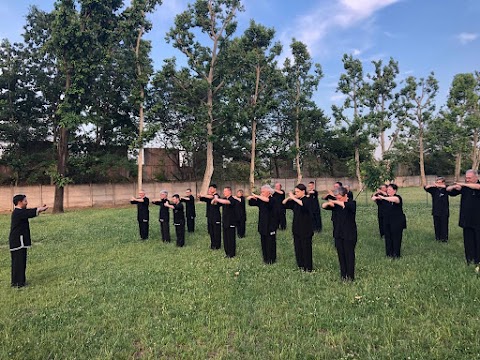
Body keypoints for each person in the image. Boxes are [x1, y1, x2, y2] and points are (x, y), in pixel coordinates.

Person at [9, 194, 48, 288]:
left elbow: (28, 212)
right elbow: (28, 213)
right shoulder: (18, 212)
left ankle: (19, 282)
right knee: (18, 262)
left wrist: (39, 209)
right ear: (19, 202)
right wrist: (39, 209)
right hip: (18, 241)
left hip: (19, 241)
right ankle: (18, 283)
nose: (27, 202)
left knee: (20, 262)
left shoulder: (20, 212)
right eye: (25, 201)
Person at [322, 186, 357, 281]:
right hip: (338, 233)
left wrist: (335, 201)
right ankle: (343, 275)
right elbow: (323, 206)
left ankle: (350, 277)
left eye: (339, 197)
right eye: (336, 197)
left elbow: (344, 205)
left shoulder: (352, 203)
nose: (337, 198)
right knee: (341, 255)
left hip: (349, 234)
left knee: (349, 255)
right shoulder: (336, 204)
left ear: (345, 195)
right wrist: (330, 202)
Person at [447, 170, 480, 266]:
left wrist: (463, 184)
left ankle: (478, 260)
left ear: (476, 178)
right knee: (468, 241)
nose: (467, 179)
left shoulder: (476, 185)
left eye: (469, 178)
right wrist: (454, 186)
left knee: (478, 240)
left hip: (478, 219)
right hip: (466, 219)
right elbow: (448, 190)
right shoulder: (464, 187)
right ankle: (470, 259)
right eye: (466, 178)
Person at [283, 184, 314, 272]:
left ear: (303, 191)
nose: (296, 193)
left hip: (306, 229)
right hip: (296, 228)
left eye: (297, 191)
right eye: (295, 191)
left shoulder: (308, 199)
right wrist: (289, 198)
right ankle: (300, 266)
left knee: (306, 248)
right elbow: (283, 204)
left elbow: (304, 205)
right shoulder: (295, 201)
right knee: (298, 248)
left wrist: (293, 198)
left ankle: (308, 268)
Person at [248, 185, 278, 264]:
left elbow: (267, 200)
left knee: (270, 242)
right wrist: (251, 198)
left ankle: (272, 259)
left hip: (271, 225)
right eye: (261, 192)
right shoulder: (261, 200)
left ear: (269, 192)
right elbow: (252, 203)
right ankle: (266, 259)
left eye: (263, 192)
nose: (262, 193)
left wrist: (257, 196)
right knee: (264, 242)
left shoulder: (273, 199)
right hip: (262, 224)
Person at [375, 184, 406, 258]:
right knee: (388, 238)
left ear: (394, 191)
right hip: (387, 221)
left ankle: (396, 254)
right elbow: (376, 200)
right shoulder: (385, 199)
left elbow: (394, 199)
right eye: (387, 189)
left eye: (389, 189)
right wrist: (376, 197)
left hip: (397, 222)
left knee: (396, 238)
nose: (387, 191)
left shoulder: (397, 197)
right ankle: (389, 254)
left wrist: (383, 197)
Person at [213, 186, 239, 258]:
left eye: (225, 191)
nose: (224, 192)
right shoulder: (223, 199)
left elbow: (226, 202)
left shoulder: (232, 199)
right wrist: (215, 199)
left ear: (229, 192)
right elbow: (214, 203)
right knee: (226, 239)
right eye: (223, 191)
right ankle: (227, 253)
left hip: (231, 222)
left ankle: (232, 254)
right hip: (225, 222)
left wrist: (217, 199)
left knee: (231, 239)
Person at [424, 177, 450, 242]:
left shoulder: (446, 189)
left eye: (440, 182)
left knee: (444, 225)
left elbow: (448, 187)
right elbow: (426, 187)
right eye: (437, 182)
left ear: (443, 182)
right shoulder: (434, 190)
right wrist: (433, 185)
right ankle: (437, 238)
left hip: (444, 211)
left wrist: (439, 185)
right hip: (436, 210)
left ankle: (444, 238)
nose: (438, 184)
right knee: (437, 225)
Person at [199, 184, 222, 250]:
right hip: (210, 216)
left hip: (216, 217)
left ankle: (217, 245)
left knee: (216, 232)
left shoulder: (216, 196)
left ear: (215, 189)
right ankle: (213, 245)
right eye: (209, 188)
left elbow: (212, 197)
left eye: (211, 188)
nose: (210, 190)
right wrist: (200, 196)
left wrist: (204, 195)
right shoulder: (209, 197)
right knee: (211, 232)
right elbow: (203, 198)